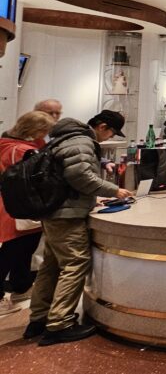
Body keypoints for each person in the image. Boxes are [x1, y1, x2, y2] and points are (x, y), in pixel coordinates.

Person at [27, 110, 133, 346]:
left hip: (54, 211)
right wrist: (114, 191)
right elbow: (80, 176)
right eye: (111, 132)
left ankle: (39, 318)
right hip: (67, 214)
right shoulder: (83, 141)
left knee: (52, 265)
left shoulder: (64, 138)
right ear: (102, 126)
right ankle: (60, 324)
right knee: (75, 263)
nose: (109, 138)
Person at [0, 111, 56, 317]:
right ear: (36, 131)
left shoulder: (6, 144)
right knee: (12, 251)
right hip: (20, 207)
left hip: (11, 204)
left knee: (22, 249)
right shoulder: (24, 151)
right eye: (45, 131)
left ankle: (20, 287)